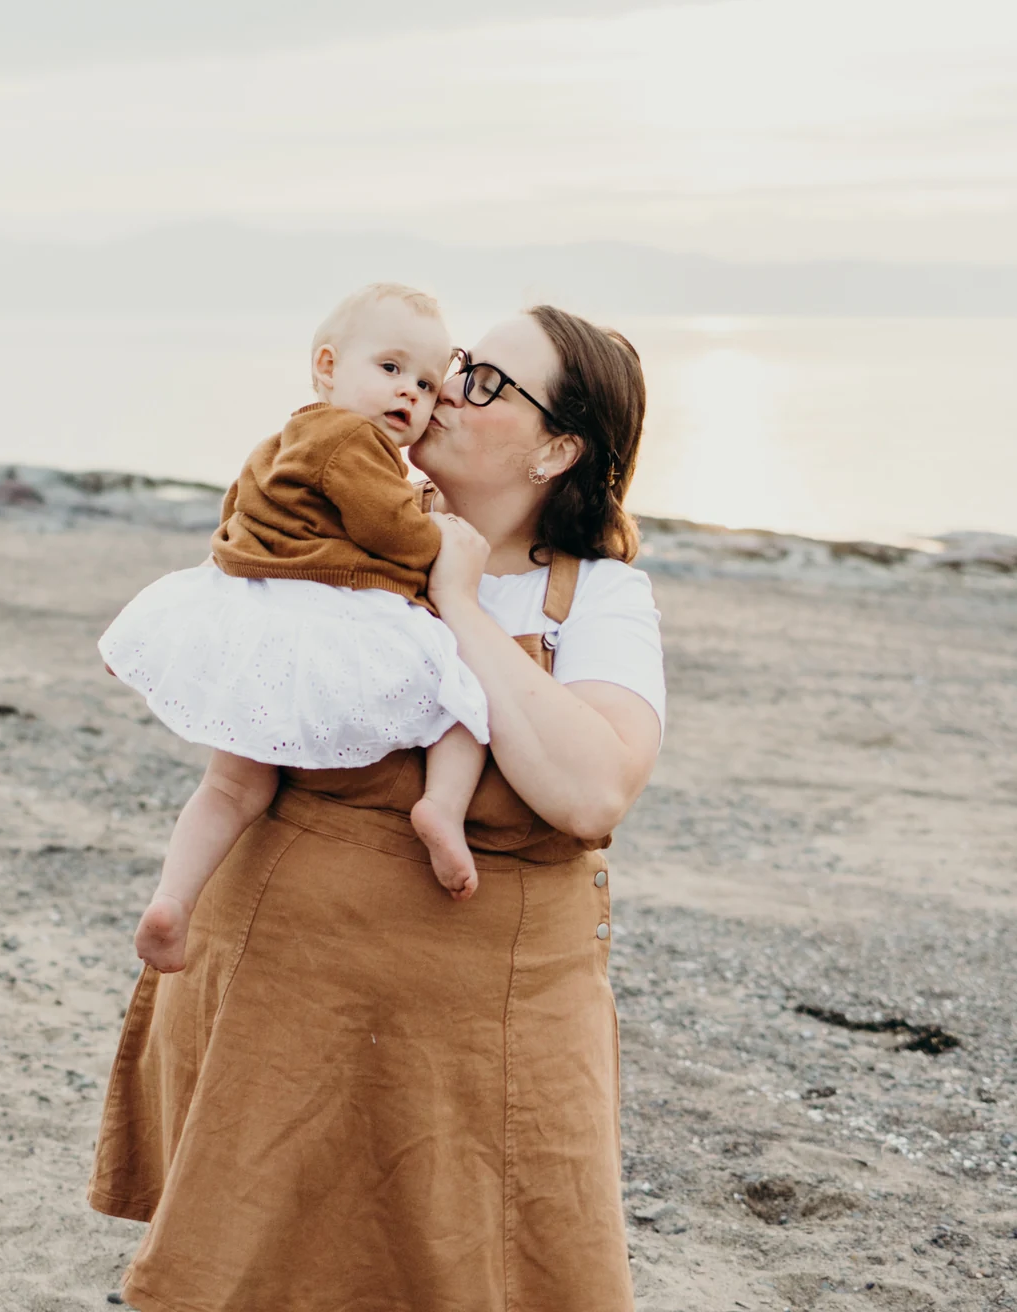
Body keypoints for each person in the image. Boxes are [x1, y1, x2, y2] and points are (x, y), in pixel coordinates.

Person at [89, 304, 665, 1312]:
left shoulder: (598, 597)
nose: (444, 386)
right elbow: (240, 740)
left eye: (485, 381)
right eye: (456, 366)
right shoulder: (332, 542)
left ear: (557, 448)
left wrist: (460, 600)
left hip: (487, 1033)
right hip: (283, 996)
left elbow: (589, 788)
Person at [98, 282, 491, 972]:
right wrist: (441, 538)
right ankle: (442, 808)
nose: (410, 395)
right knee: (463, 698)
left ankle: (173, 900)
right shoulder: (354, 441)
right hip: (334, 614)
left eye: (428, 385)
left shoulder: (284, 439)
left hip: (269, 613)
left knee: (231, 786)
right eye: (391, 369)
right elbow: (389, 528)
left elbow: (235, 512)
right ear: (328, 367)